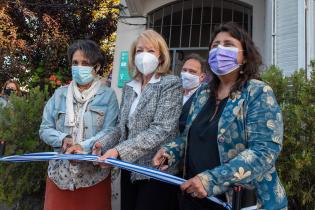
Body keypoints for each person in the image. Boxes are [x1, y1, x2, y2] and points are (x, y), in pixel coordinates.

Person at [153, 22, 288, 210]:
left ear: (245, 56)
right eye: (215, 45)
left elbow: (264, 152)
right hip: (194, 197)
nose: (219, 50)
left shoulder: (257, 92)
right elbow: (189, 138)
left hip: (240, 201)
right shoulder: (202, 94)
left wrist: (210, 180)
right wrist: (171, 152)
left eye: (229, 44)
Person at [93, 29, 183, 210]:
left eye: (151, 51)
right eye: (140, 50)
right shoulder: (129, 86)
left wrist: (118, 151)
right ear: (134, 55)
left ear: (161, 56)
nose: (144, 55)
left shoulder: (170, 84)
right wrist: (101, 145)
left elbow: (161, 130)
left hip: (156, 171)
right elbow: (121, 127)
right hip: (128, 167)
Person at [39, 40, 119, 210]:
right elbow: (45, 128)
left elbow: (110, 131)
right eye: (75, 63)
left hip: (93, 178)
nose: (78, 67)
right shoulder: (59, 95)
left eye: (85, 63)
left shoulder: (108, 96)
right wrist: (63, 139)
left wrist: (82, 147)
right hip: (59, 176)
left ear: (96, 67)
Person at [180, 54, 207, 133]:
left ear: (202, 76)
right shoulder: (174, 93)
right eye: (184, 70)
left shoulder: (205, 98)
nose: (186, 74)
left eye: (192, 71)